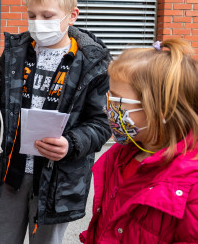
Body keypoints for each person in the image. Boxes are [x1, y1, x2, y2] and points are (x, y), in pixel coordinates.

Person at [0, 0, 112, 244]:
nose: (37, 24)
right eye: (32, 15)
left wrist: (70, 143)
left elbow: (100, 124)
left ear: (72, 16)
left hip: (56, 181)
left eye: (47, 16)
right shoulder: (16, 53)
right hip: (10, 173)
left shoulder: (92, 63)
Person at [80, 39, 198, 243]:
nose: (107, 107)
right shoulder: (119, 156)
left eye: (117, 99)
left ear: (161, 109)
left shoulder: (191, 187)